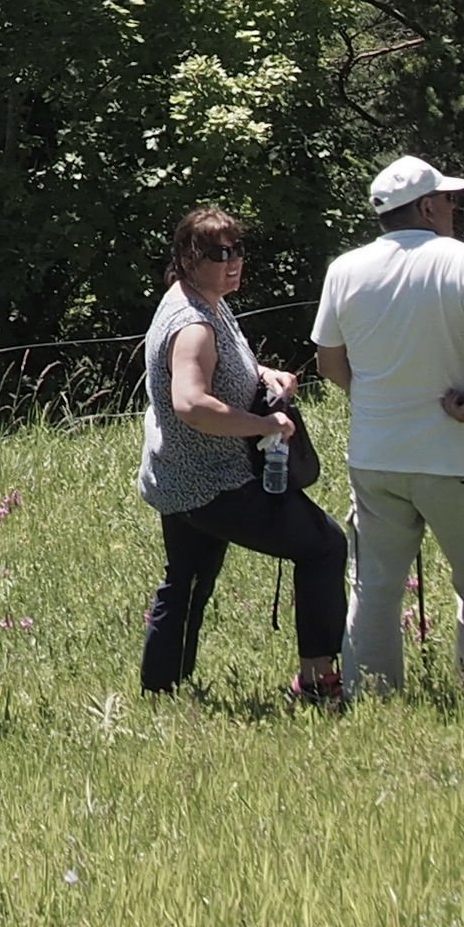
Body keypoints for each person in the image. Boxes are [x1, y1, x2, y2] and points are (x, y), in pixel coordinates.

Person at [314, 156, 464, 693]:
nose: (454, 209)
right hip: (456, 455)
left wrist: (375, 397)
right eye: (449, 200)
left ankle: (374, 692)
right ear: (428, 207)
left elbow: (328, 362)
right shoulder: (463, 261)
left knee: (375, 586)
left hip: (376, 454)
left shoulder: (345, 268)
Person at [136, 206, 348, 707]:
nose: (232, 263)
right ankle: (318, 683)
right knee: (324, 545)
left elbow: (224, 369)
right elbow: (191, 401)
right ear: (189, 256)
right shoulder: (194, 324)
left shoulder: (202, 300)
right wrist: (265, 423)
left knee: (186, 581)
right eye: (218, 253)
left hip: (177, 477)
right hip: (215, 483)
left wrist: (267, 376)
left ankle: (161, 693)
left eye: (237, 251)